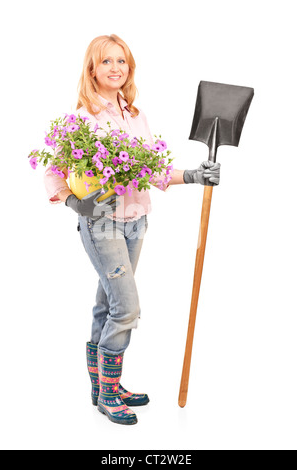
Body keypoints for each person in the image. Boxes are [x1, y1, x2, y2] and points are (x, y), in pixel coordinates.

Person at [44, 34, 220, 426]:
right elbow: (54, 170)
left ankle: (102, 387)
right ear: (93, 69)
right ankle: (109, 392)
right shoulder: (83, 118)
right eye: (106, 62)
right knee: (127, 307)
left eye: (121, 62)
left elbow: (149, 169)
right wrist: (76, 203)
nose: (115, 68)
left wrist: (193, 175)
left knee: (108, 303)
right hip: (102, 220)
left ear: (129, 68)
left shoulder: (136, 115)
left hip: (137, 218)